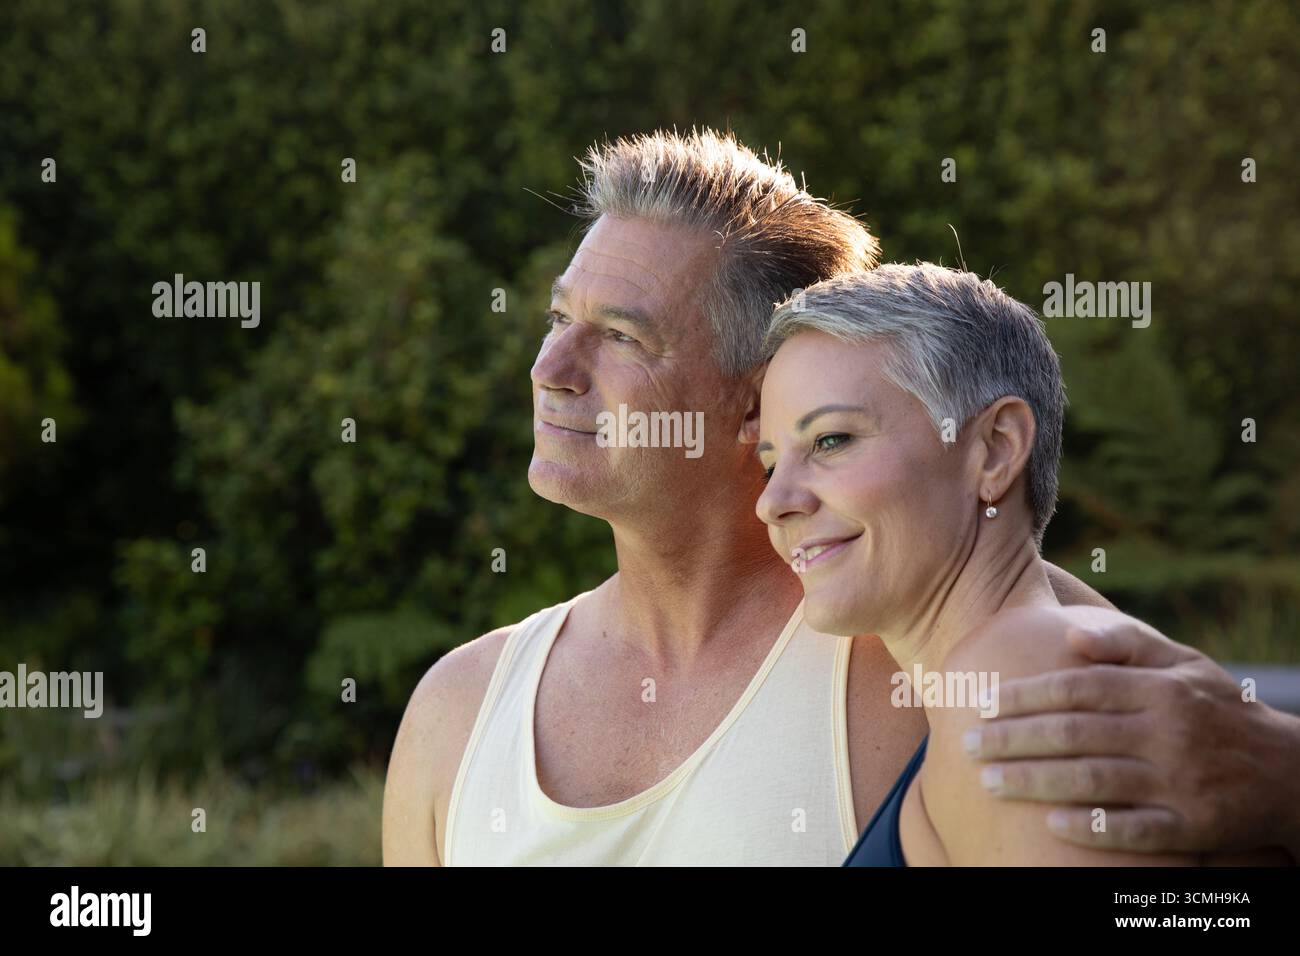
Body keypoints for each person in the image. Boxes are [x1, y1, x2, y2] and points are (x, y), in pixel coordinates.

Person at [382, 128, 1300, 866]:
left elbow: (1213, 771)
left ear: (754, 399)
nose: (549, 370)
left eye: (620, 335)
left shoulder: (944, 645)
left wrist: (1280, 771)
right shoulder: (460, 710)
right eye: (557, 319)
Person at [756, 263, 1291, 865]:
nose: (773, 502)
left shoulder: (1022, 685)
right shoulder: (1012, 674)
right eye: (771, 463)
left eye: (831, 440)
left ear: (996, 449)